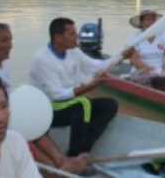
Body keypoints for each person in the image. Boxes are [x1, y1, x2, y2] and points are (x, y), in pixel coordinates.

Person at [0, 23, 87, 173]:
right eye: (4, 41)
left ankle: (59, 164)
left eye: (10, 40)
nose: (10, 45)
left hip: (8, 127)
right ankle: (55, 169)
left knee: (30, 121)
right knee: (23, 128)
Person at [30, 18, 129, 157]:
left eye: (75, 32)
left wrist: (121, 56)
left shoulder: (73, 51)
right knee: (83, 103)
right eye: (71, 34)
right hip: (48, 110)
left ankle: (81, 149)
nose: (77, 36)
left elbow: (96, 66)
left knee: (109, 105)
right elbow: (57, 96)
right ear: (58, 37)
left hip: (70, 104)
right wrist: (90, 86)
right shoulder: (42, 59)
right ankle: (77, 154)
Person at [128, 9, 165, 89]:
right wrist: (148, 69)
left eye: (153, 20)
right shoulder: (136, 37)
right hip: (141, 70)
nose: (151, 23)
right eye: (147, 20)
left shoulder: (164, 36)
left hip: (160, 71)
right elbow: (134, 60)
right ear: (142, 23)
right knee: (151, 79)